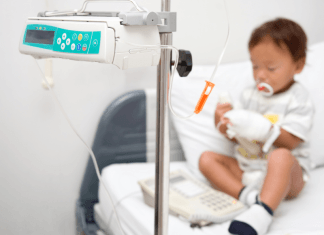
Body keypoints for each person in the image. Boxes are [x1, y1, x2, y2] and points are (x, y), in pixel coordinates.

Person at [199, 18, 315, 235]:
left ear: (297, 66)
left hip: (288, 177)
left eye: (271, 68)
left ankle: (263, 212)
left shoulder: (299, 98)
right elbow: (238, 138)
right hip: (248, 169)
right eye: (255, 66)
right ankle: (251, 198)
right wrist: (225, 124)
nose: (261, 74)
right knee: (206, 159)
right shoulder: (248, 94)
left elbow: (290, 141)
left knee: (280, 156)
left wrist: (261, 128)